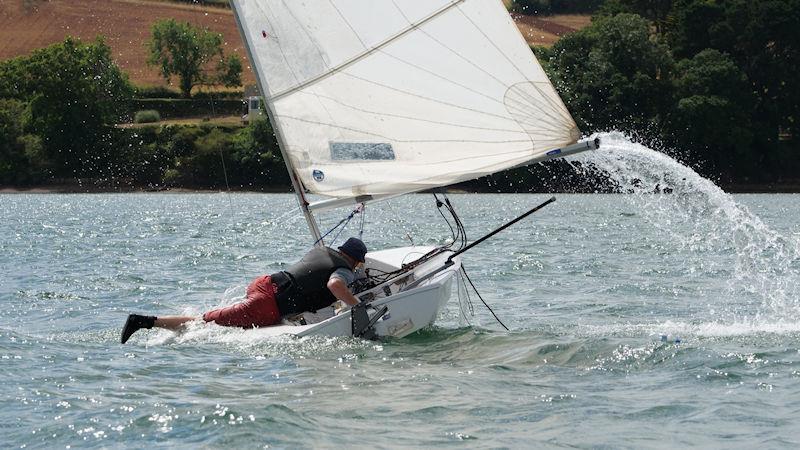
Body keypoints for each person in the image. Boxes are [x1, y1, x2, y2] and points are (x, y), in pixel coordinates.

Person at [120, 237, 368, 344]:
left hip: (264, 283)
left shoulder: (322, 250)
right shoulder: (344, 269)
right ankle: (144, 321)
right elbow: (335, 285)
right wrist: (357, 306)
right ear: (355, 260)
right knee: (204, 323)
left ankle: (153, 322)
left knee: (219, 318)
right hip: (267, 305)